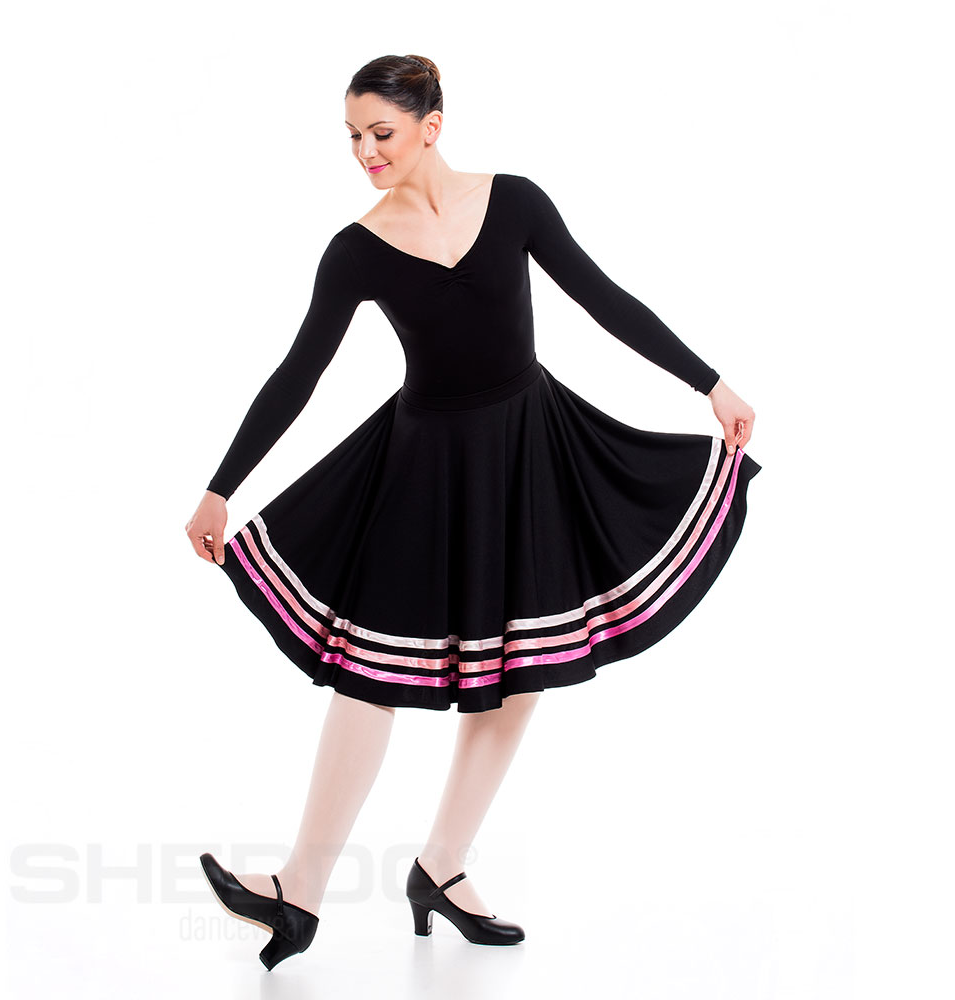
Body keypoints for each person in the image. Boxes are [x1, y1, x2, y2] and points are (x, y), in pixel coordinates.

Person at [187, 53, 760, 970]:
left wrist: (710, 382)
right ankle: (299, 890)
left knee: (527, 663)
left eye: (381, 132)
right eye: (352, 137)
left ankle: (442, 867)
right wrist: (222, 485)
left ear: (432, 125)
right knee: (370, 672)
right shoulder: (357, 249)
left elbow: (604, 298)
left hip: (530, 452)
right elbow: (299, 372)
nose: (365, 152)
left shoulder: (515, 201)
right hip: (421, 467)